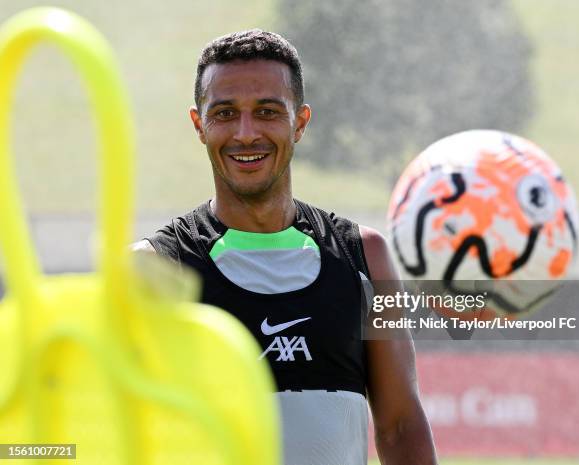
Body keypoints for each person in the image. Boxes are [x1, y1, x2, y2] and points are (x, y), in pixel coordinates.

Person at [133, 29, 437, 465]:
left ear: (300, 122)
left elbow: (401, 427)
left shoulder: (367, 258)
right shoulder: (153, 267)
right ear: (199, 125)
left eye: (267, 112)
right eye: (224, 113)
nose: (245, 133)